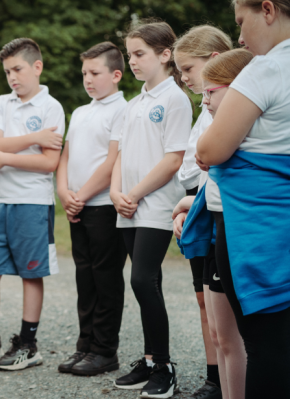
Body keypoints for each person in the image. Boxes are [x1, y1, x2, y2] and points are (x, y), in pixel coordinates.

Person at [196, 1, 290, 396]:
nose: (239, 37)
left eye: (241, 22)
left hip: (259, 233)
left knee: (267, 345)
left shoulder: (266, 69)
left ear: (267, 9)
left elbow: (208, 151)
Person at [0, 38, 64, 371]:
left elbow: (49, 164)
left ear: (37, 67)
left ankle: (28, 344)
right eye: (7, 72)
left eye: (17, 69)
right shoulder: (1, 105)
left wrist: (7, 155)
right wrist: (34, 139)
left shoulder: (52, 107)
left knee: (30, 275)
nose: (12, 78)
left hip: (32, 203)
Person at [110, 21, 192, 398]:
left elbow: (174, 159)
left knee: (143, 280)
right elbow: (121, 154)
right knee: (145, 285)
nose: (133, 61)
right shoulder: (133, 104)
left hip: (156, 205)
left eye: (139, 53)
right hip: (126, 206)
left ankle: (165, 366)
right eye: (129, 55)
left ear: (165, 54)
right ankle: (148, 359)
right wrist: (116, 193)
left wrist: (136, 193)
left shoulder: (174, 99)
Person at [174, 48, 253, 399]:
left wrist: (190, 203)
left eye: (211, 91)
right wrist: (190, 205)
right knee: (220, 335)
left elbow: (206, 161)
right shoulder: (214, 120)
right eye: (202, 92)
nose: (203, 99)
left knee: (235, 340)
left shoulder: (243, 131)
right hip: (214, 232)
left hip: (233, 233)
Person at [55, 42, 128, 376]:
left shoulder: (121, 110)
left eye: (94, 73)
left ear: (115, 75)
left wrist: (81, 195)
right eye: (84, 72)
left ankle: (104, 350)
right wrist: (64, 193)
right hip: (77, 206)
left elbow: (113, 161)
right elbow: (66, 156)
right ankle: (84, 346)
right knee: (85, 278)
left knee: (105, 279)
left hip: (103, 207)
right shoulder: (81, 112)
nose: (87, 79)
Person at [170, 25, 233, 399]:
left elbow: (204, 162)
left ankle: (225, 381)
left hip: (213, 205)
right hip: (198, 202)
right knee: (203, 297)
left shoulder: (224, 107)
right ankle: (215, 376)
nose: (183, 77)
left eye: (188, 69)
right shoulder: (204, 108)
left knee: (220, 302)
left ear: (212, 61)